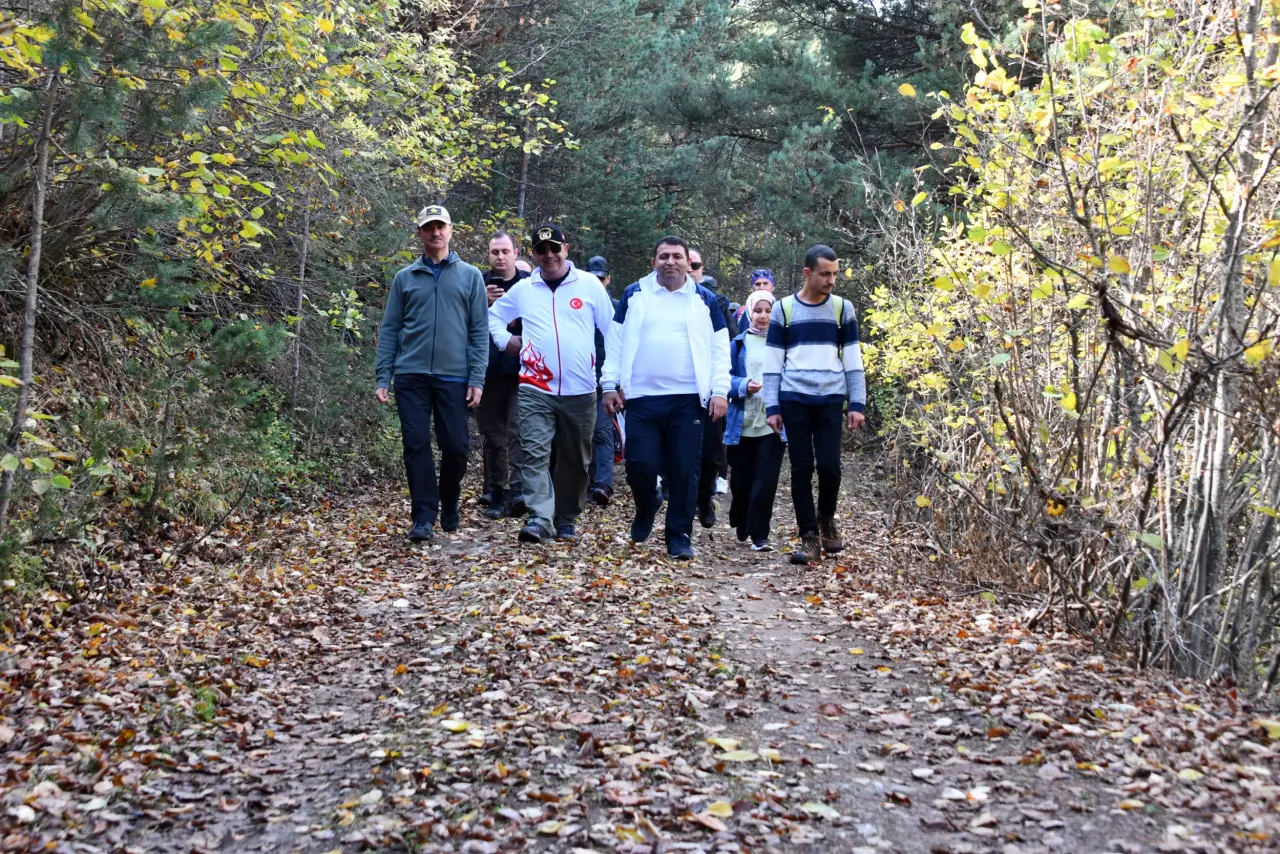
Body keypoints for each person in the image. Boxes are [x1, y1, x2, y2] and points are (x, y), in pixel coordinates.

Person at [602, 236, 730, 560]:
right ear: (653, 261)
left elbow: (719, 349)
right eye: (663, 256)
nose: (670, 262)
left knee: (685, 468)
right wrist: (608, 384)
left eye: (677, 256)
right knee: (639, 465)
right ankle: (647, 504)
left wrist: (719, 391)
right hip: (641, 397)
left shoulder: (705, 300)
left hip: (689, 398)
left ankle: (679, 536)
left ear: (688, 262)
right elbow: (614, 343)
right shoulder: (635, 294)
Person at [488, 224, 614, 544]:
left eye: (554, 248)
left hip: (581, 389)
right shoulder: (524, 290)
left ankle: (567, 516)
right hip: (534, 387)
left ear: (566, 249)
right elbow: (493, 317)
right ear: (533, 254)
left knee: (576, 459)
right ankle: (539, 517)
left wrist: (612, 378)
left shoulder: (588, 285)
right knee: (534, 452)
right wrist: (505, 341)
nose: (548, 255)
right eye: (541, 250)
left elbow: (613, 331)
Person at [375, 205, 488, 542]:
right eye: (428, 228)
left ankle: (450, 498)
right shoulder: (404, 278)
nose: (435, 232)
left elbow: (479, 331)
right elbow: (391, 329)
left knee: (456, 446)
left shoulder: (470, 276)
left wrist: (477, 377)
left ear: (451, 231)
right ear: (420, 233)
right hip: (411, 375)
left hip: (454, 377)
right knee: (416, 444)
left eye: (440, 227)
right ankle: (423, 516)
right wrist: (383, 376)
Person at [763, 244, 865, 564]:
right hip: (794, 397)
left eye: (834, 274)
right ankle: (809, 537)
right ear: (807, 273)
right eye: (825, 274)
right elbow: (772, 361)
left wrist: (857, 402)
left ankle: (826, 519)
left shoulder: (842, 308)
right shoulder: (783, 309)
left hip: (830, 399)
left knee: (830, 468)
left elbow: (852, 358)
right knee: (802, 468)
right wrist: (772, 406)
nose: (831, 280)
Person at [476, 231, 530, 520]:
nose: (500, 257)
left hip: (523, 372)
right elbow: (462, 322)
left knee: (519, 432)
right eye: (495, 252)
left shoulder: (530, 286)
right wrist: (481, 302)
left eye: (505, 251)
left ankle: (520, 490)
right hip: (486, 373)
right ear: (488, 254)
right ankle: (498, 491)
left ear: (515, 252)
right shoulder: (477, 285)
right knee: (493, 436)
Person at [725, 290, 785, 551]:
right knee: (740, 482)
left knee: (766, 482)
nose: (763, 316)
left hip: (773, 424)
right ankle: (740, 516)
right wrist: (743, 385)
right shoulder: (738, 343)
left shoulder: (784, 343)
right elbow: (721, 379)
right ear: (750, 312)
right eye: (758, 311)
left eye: (768, 311)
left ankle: (760, 534)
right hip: (741, 423)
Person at [687, 247, 734, 512]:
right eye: (688, 263)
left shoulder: (715, 302)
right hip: (676, 391)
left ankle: (704, 498)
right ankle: (684, 501)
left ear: (702, 269)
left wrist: (721, 389)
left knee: (712, 452)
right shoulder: (657, 300)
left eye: (696, 265)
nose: (691, 269)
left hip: (709, 390)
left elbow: (729, 345)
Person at [584, 255, 619, 506]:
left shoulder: (617, 308)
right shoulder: (577, 304)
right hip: (578, 379)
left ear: (608, 279)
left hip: (606, 380)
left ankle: (603, 484)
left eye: (601, 278)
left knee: (603, 433)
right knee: (579, 434)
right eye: (592, 278)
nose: (597, 282)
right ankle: (583, 482)